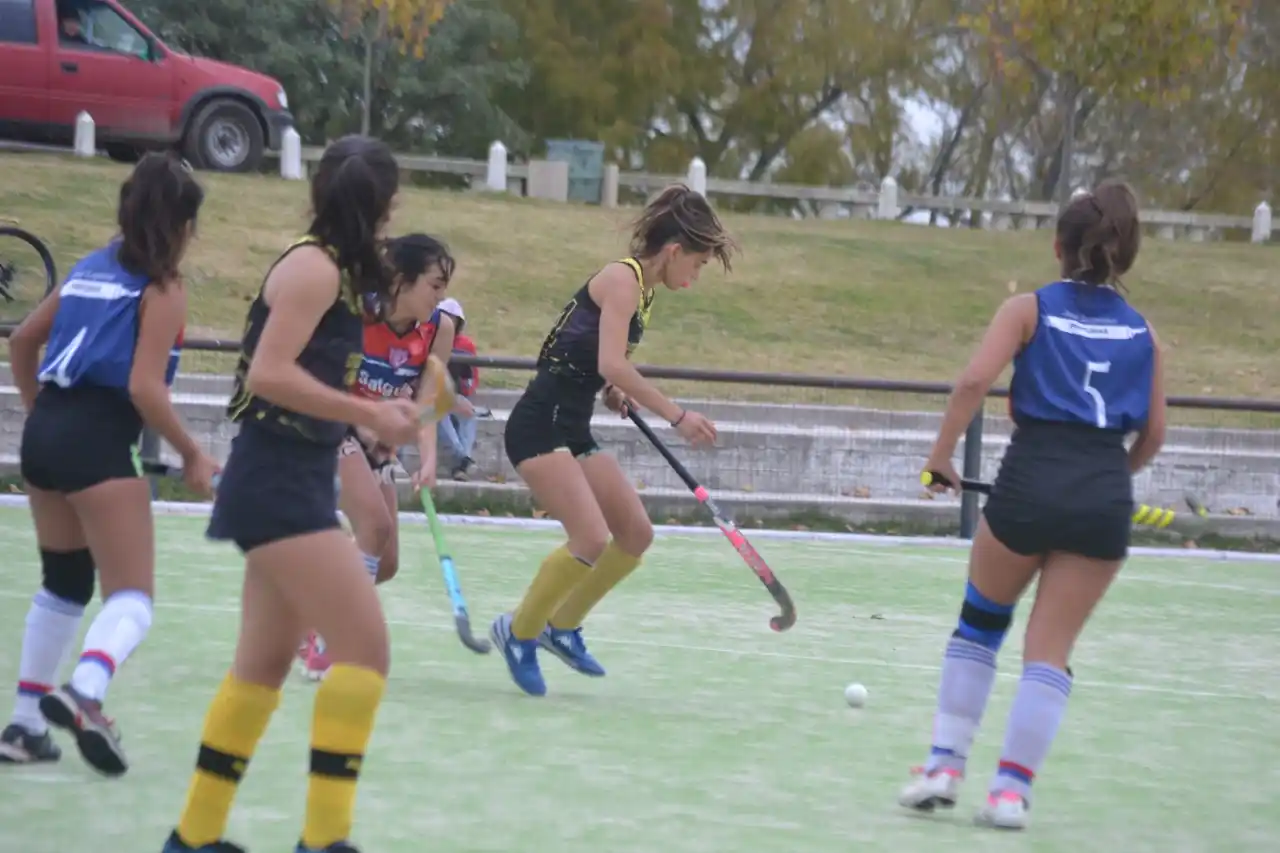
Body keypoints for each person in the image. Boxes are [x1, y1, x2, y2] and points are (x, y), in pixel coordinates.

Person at [161, 135, 424, 853]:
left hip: (289, 472)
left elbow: (299, 376)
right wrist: (368, 413)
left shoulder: (330, 266)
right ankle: (324, 840)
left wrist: (363, 421)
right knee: (365, 649)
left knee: (262, 665)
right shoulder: (313, 268)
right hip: (276, 479)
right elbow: (269, 373)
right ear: (380, 203)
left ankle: (193, 836)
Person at [899, 181, 1165, 830]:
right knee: (1049, 651)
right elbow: (1153, 435)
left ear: (1057, 247)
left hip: (1027, 485)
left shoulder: (1028, 309)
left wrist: (940, 460)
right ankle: (1010, 794)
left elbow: (972, 382)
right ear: (1124, 256)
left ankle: (943, 765)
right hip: (1102, 497)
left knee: (981, 624)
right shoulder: (1145, 334)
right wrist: (1105, 480)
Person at [1, 153, 216, 773]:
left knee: (64, 585)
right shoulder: (163, 288)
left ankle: (21, 727)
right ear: (181, 224)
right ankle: (86, 691)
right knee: (132, 600)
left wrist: (41, 412)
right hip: (97, 438)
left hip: (43, 436)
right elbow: (146, 389)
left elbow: (21, 341)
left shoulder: (89, 268)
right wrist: (194, 453)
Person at [491, 184, 733, 697]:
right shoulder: (624, 278)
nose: (695, 275)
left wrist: (610, 391)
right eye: (698, 264)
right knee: (590, 538)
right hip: (539, 425)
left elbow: (592, 360)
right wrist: (677, 414)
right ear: (673, 252)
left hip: (572, 425)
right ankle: (517, 632)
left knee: (635, 534)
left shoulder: (642, 289)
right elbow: (611, 360)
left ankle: (562, 626)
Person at [298, 232, 456, 681]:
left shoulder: (438, 330)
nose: (441, 296)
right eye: (434, 284)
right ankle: (330, 642)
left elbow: (427, 403)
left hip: (379, 440)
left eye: (444, 286)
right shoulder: (357, 314)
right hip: (334, 426)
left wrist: (426, 457)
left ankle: (304, 612)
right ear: (402, 281)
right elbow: (325, 381)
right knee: (375, 524)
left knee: (385, 562)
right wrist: (366, 424)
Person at [436, 296, 480, 481]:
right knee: (439, 412)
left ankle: (461, 463)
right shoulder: (425, 339)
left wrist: (461, 396)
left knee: (470, 413)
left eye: (453, 319)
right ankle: (463, 460)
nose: (449, 323)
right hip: (430, 396)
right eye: (445, 317)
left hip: (453, 395)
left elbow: (471, 378)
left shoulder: (465, 345)